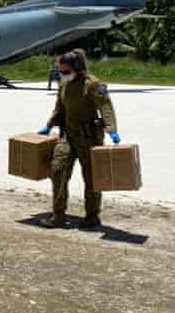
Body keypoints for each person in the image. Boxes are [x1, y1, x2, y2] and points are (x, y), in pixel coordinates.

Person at [37, 50, 119, 230]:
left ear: (78, 68)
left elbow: (106, 107)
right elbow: (59, 106)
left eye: (65, 71)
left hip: (88, 138)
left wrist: (112, 130)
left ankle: (92, 217)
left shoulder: (93, 84)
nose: (62, 74)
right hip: (67, 136)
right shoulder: (64, 84)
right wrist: (49, 125)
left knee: (91, 179)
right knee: (57, 171)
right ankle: (58, 215)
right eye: (60, 71)